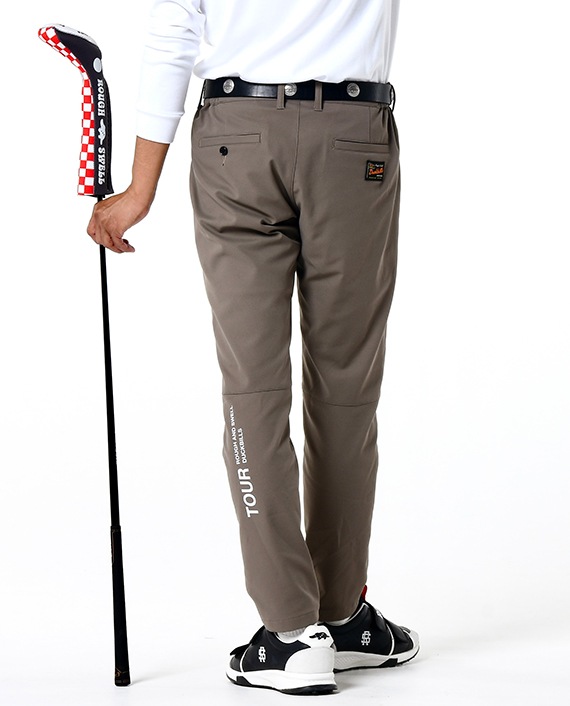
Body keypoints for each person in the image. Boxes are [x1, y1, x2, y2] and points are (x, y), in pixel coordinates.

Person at [87, 0, 419, 695]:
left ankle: (293, 635)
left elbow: (174, 30)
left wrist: (140, 188)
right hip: (352, 135)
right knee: (346, 388)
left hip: (236, 137)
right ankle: (342, 618)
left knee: (253, 389)